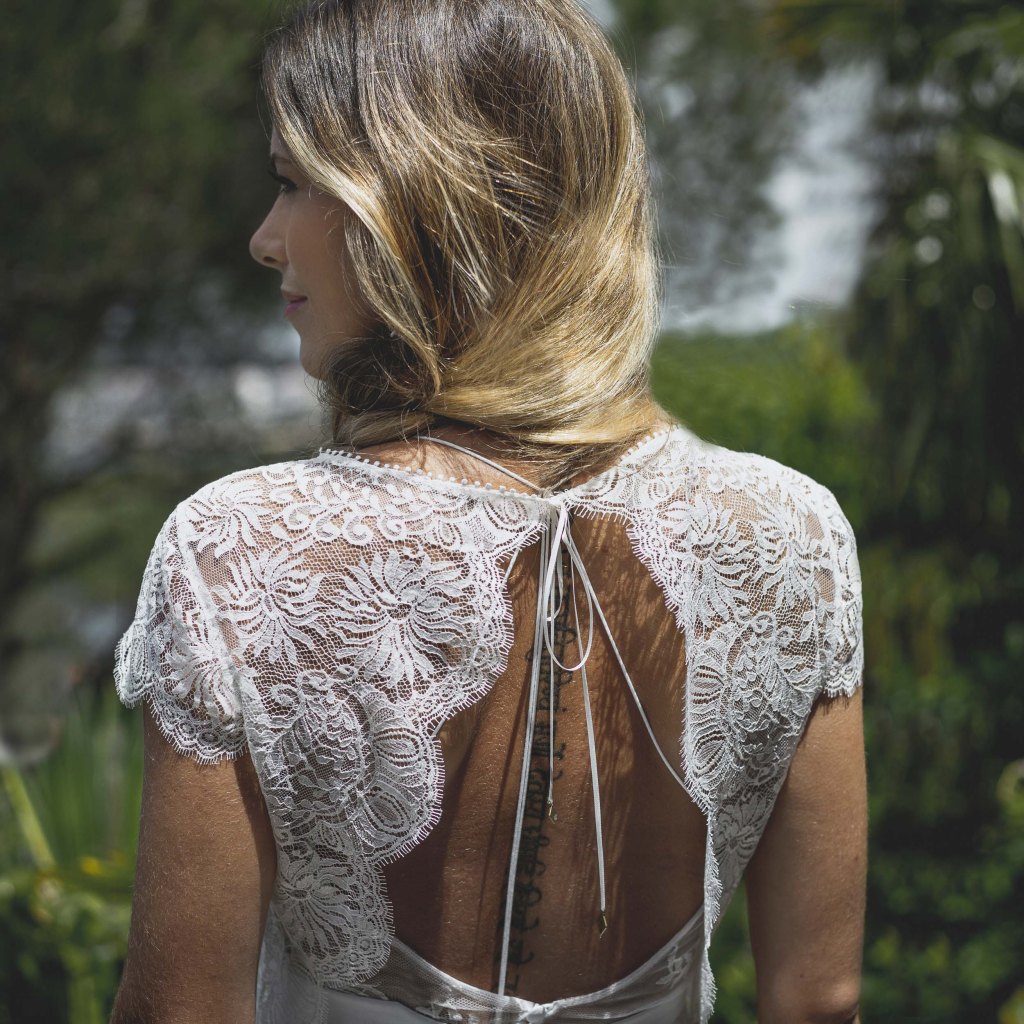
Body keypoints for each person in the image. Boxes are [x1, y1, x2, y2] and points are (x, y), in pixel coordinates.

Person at [109, 1, 867, 1022]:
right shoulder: (792, 534)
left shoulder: (242, 552)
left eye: (293, 184)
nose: (264, 239)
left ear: (418, 200)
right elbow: (818, 998)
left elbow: (180, 1011)